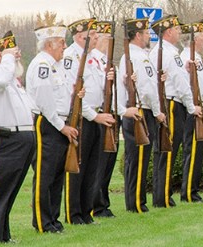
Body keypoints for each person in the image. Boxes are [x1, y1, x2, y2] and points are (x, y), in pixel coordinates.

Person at [0, 31, 37, 242]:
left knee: (10, 191)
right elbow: (0, 81)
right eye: (13, 52)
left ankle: (4, 235)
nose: (17, 55)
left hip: (19, 140)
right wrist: (8, 58)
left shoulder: (11, 77)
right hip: (0, 140)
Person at [28, 17, 87, 231]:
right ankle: (42, 222)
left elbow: (61, 95)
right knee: (45, 174)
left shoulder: (57, 66)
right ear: (50, 44)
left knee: (57, 174)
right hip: (49, 125)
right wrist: (61, 126)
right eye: (61, 43)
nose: (64, 46)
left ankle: (54, 219)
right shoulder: (42, 66)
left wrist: (76, 95)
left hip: (61, 123)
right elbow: (45, 102)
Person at [150, 15, 201, 208]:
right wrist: (191, 107)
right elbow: (180, 85)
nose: (180, 33)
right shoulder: (170, 54)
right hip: (172, 104)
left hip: (167, 102)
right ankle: (162, 197)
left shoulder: (162, 52)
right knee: (168, 150)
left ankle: (161, 195)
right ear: (169, 32)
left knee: (164, 150)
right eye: (177, 30)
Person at [117, 18, 165, 213]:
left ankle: (136, 201)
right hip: (140, 111)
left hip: (139, 110)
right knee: (137, 159)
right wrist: (157, 112)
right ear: (137, 35)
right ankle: (136, 202)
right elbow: (147, 89)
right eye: (146, 33)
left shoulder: (137, 55)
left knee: (137, 159)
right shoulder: (137, 57)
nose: (148, 36)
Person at [63, 18, 108, 225]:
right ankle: (74, 214)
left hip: (96, 115)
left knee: (92, 167)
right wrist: (94, 115)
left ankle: (87, 211)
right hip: (82, 117)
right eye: (94, 35)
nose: (98, 38)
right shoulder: (70, 57)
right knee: (78, 167)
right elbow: (74, 95)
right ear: (81, 37)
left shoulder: (95, 57)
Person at [180, 21, 203, 203]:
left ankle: (191, 190)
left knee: (196, 149)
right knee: (193, 149)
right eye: (201, 36)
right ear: (193, 40)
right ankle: (189, 192)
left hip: (195, 106)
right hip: (194, 108)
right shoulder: (191, 58)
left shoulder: (193, 57)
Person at [91, 20, 120, 218]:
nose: (110, 41)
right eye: (107, 37)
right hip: (100, 113)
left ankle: (103, 202)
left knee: (108, 161)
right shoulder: (94, 60)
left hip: (112, 113)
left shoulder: (106, 61)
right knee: (99, 163)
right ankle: (96, 204)